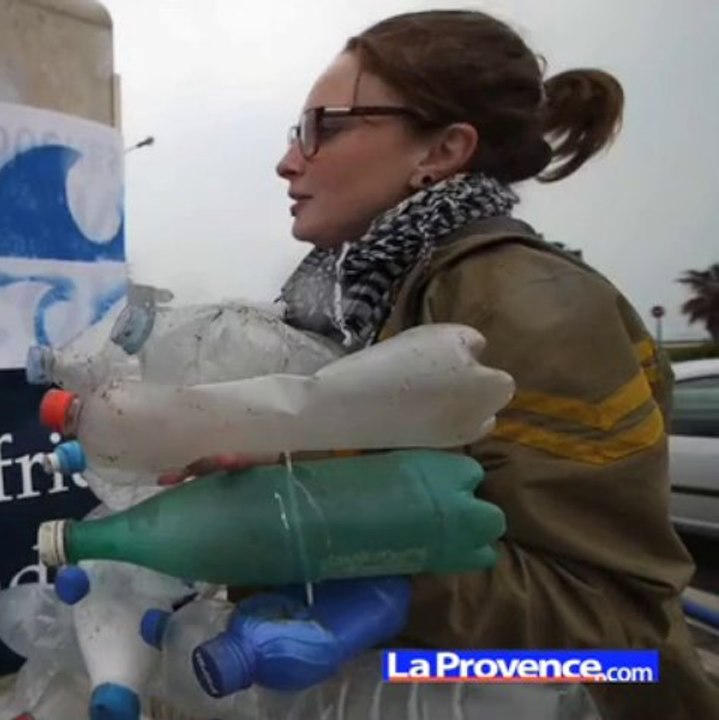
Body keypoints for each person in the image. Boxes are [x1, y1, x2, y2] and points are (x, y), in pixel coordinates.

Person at [176, 9, 719, 720]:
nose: (288, 160)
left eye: (323, 128)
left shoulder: (526, 306)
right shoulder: (364, 297)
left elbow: (614, 633)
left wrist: (312, 540)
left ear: (443, 149)